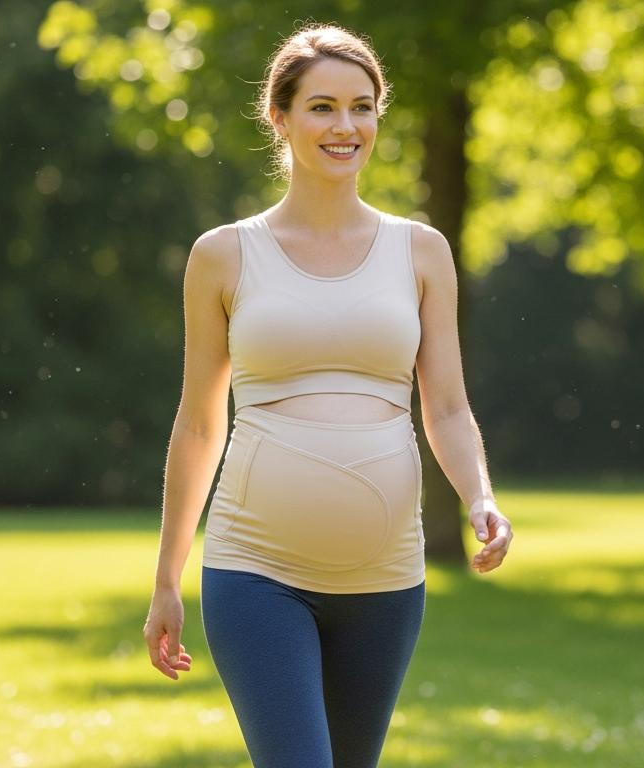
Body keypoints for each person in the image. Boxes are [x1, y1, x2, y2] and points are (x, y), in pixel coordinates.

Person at [141, 22, 514, 768]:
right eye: (322, 107)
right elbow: (198, 425)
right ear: (278, 117)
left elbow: (445, 407)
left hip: (386, 581)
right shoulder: (222, 255)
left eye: (362, 107)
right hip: (256, 573)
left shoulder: (421, 251)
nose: (345, 127)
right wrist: (166, 580)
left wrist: (479, 497)